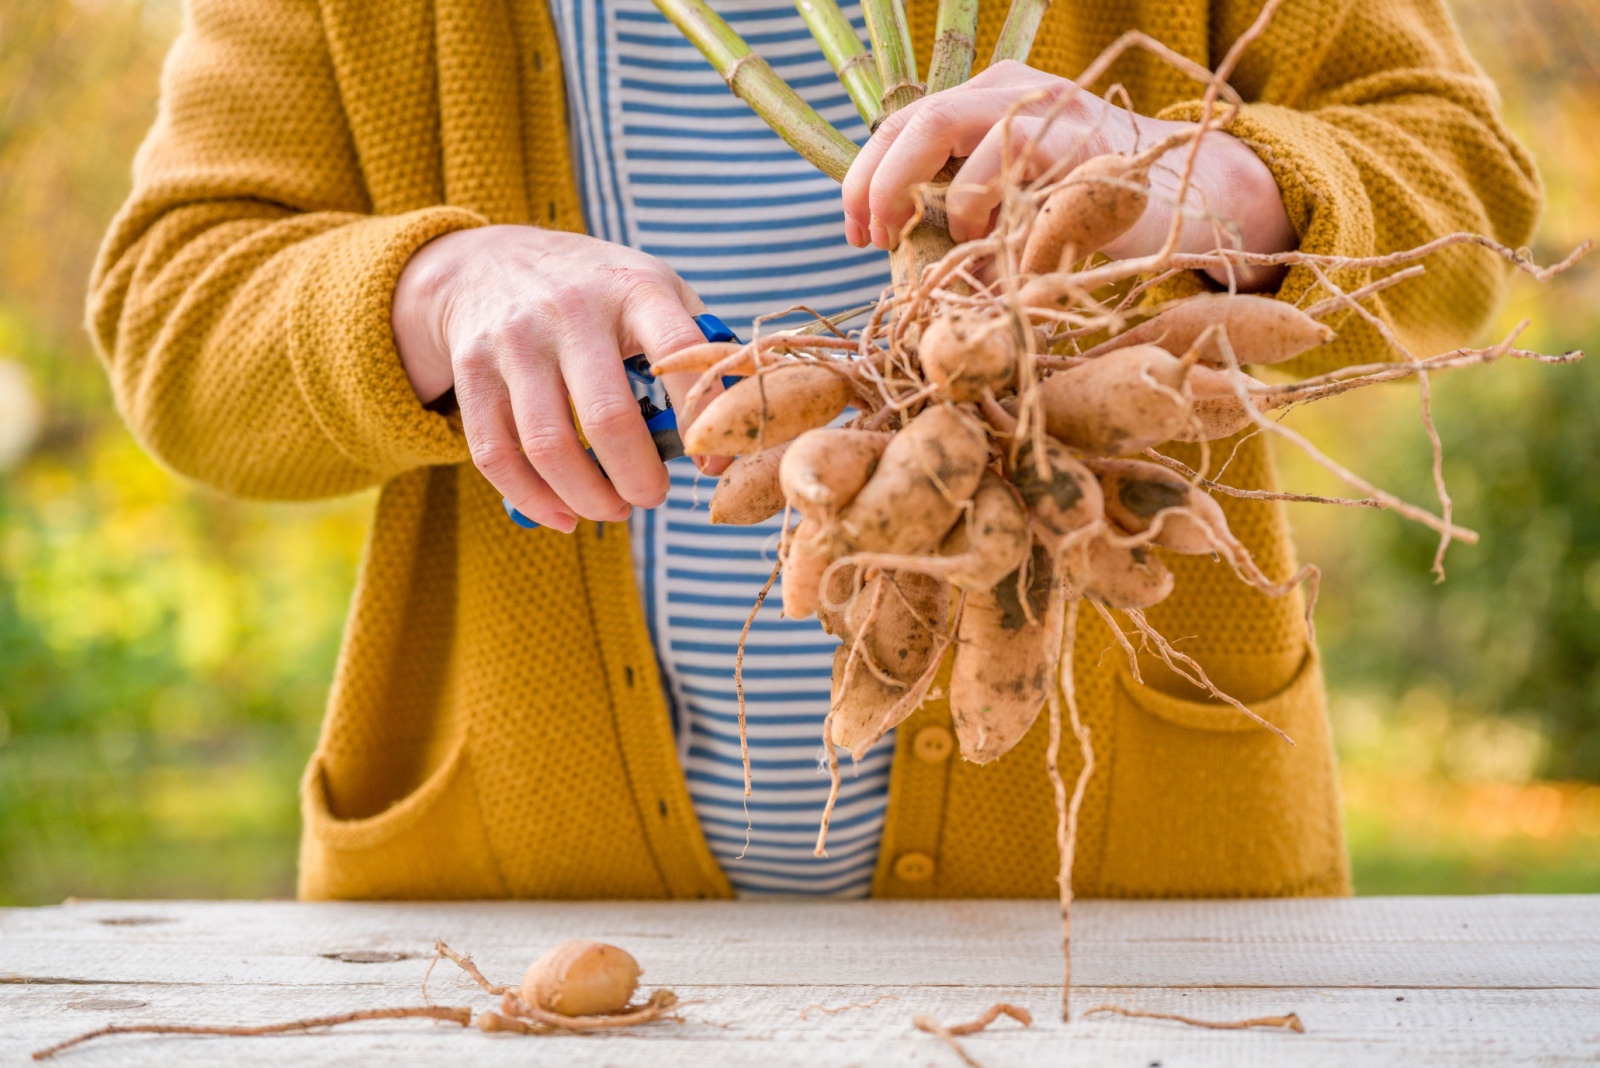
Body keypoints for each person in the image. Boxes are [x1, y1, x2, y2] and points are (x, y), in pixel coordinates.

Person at [90, 0, 1537, 900]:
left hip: (1129, 910)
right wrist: (427, 292)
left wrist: (1206, 186)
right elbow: (174, 312)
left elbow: (1460, 175)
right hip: (518, 909)